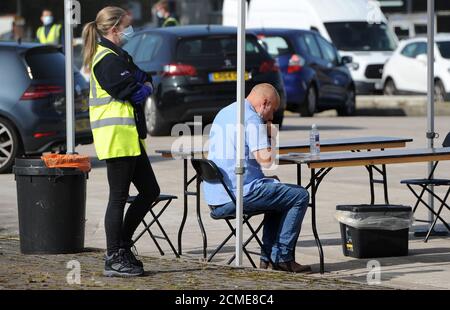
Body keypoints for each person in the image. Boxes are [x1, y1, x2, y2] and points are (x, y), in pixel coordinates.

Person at [82, 6, 160, 277]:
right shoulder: (106, 60)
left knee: (150, 191)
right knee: (118, 198)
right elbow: (134, 92)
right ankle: (114, 256)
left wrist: (144, 86)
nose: (131, 30)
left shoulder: (119, 55)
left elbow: (145, 79)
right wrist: (144, 88)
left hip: (130, 139)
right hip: (116, 138)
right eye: (127, 25)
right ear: (114, 28)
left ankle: (122, 245)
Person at [203, 83, 311, 273]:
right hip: (236, 195)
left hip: (216, 196)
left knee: (277, 192)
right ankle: (283, 258)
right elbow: (266, 160)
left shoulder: (226, 112)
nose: (272, 116)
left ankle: (268, 258)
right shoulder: (251, 119)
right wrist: (272, 134)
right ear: (265, 103)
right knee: (299, 195)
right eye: (273, 110)